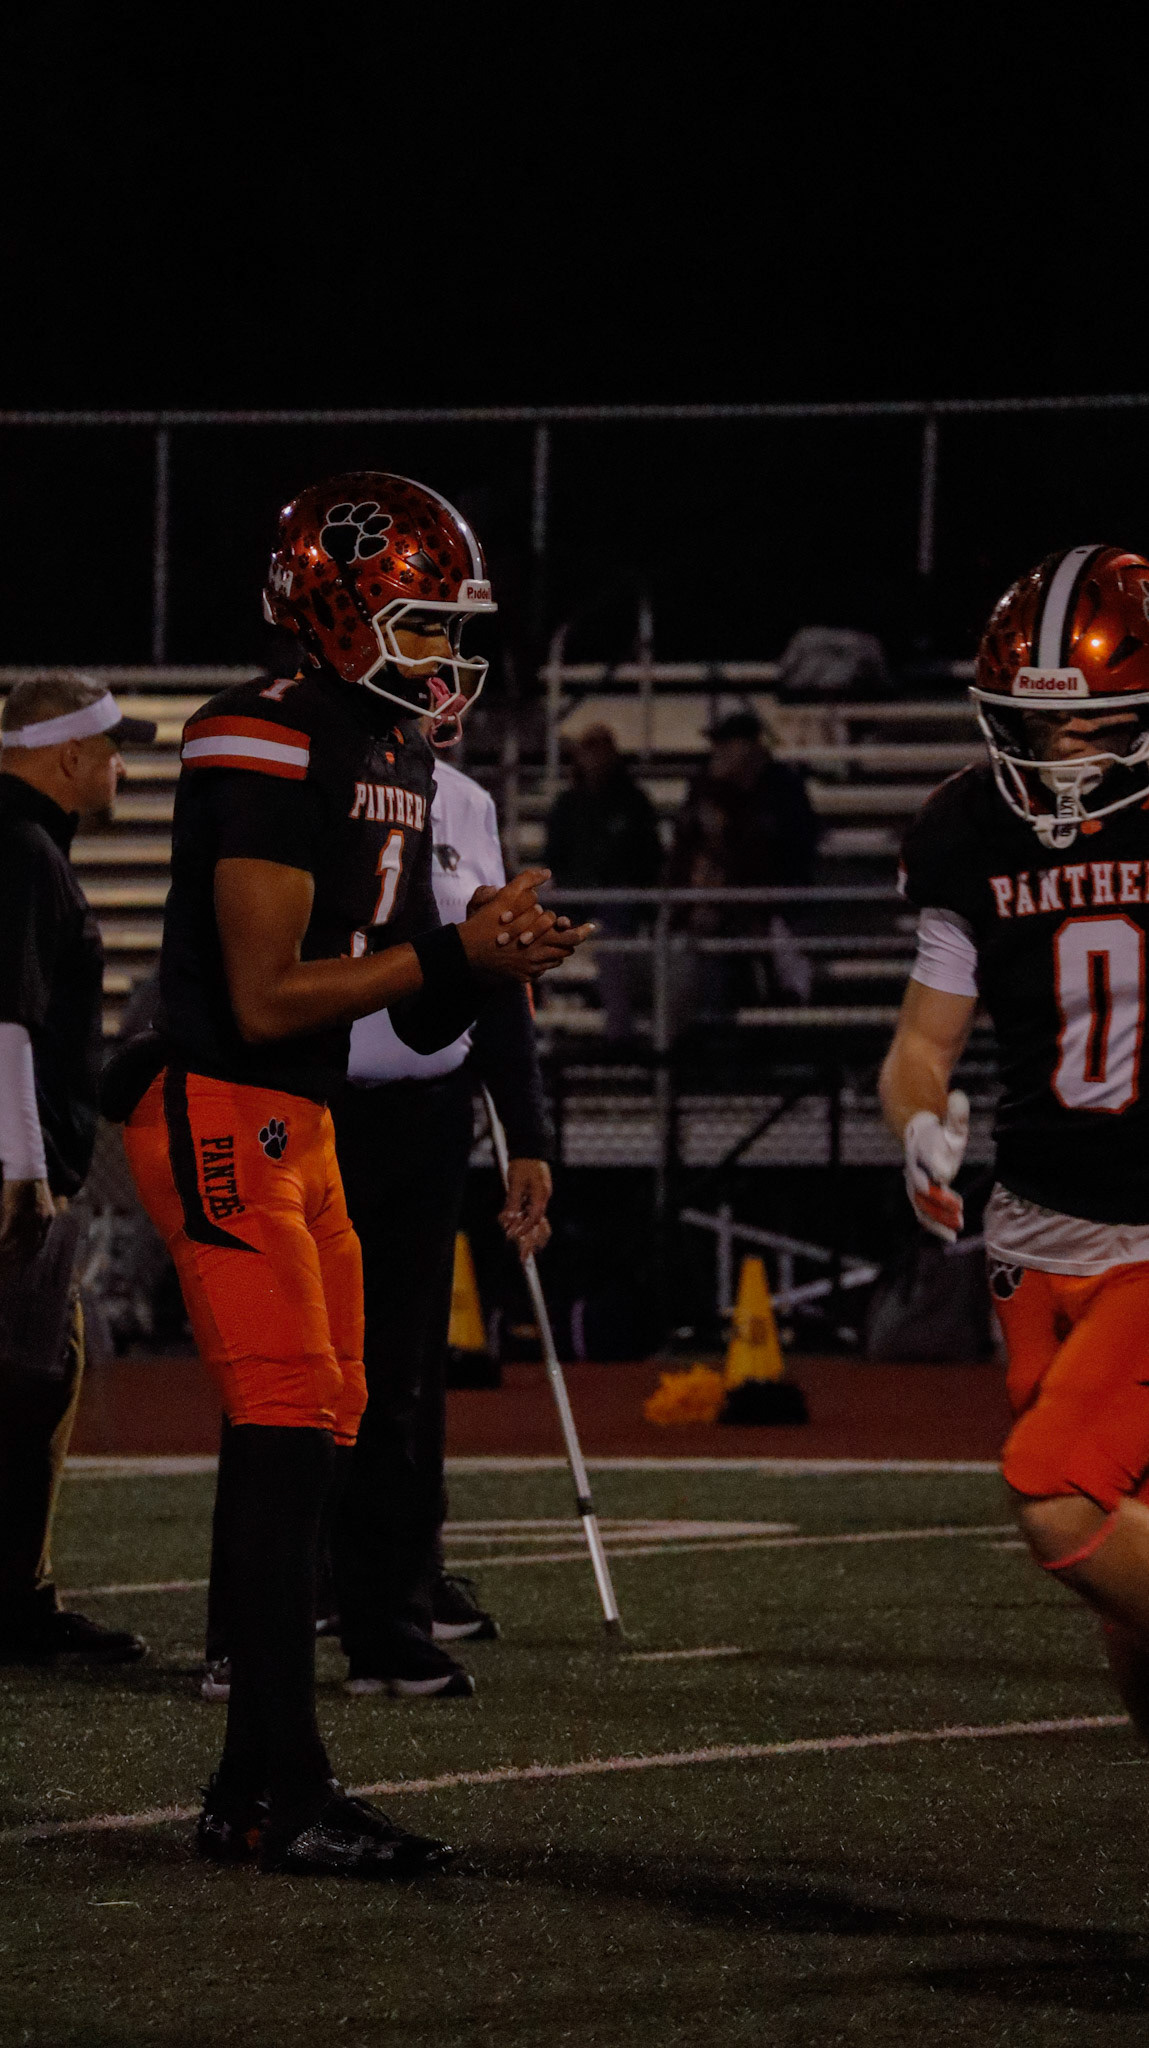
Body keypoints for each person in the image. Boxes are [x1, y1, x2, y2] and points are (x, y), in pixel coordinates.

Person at [111, 472, 591, 1880]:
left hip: (305, 1119)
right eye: (422, 624)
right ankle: (280, 1787)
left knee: (328, 1419)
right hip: (225, 1103)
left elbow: (410, 1015)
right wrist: (452, 952)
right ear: (336, 610)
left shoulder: (395, 753)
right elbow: (266, 996)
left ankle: (252, 1784)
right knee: (279, 1432)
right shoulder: (260, 732)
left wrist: (481, 964)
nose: (447, 655)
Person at [200, 757, 555, 1703]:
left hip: (423, 1112)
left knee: (398, 1373)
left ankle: (390, 1621)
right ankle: (250, 1631)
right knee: (279, 1370)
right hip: (301, 1097)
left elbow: (496, 975)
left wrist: (526, 1131)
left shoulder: (466, 799)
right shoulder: (302, 769)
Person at [880, 543, 1149, 1743]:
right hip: (1032, 1236)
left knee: (1056, 1495)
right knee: (1128, 1611)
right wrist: (917, 1124)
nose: (1059, 751)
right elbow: (921, 1043)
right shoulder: (966, 829)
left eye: (1091, 722)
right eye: (1038, 723)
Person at [0, 672, 155, 1667]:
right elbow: (8, 1020)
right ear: (66, 755)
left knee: (38, 1373)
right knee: (29, 1381)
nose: (121, 767)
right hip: (15, 1161)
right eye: (108, 749)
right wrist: (25, 1164)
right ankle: (15, 1604)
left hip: (23, 1145)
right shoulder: (24, 851)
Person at [666, 709, 818, 1017]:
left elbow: (788, 850)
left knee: (779, 947)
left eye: (726, 743)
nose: (718, 751)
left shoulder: (781, 786)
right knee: (700, 948)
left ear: (749, 745)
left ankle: (777, 1014)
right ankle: (708, 1026)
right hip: (718, 905)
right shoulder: (705, 785)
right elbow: (685, 847)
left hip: (773, 900)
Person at [544, 724, 662, 1038]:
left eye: (602, 749)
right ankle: (528, 1027)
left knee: (612, 936)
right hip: (574, 898)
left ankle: (619, 1033)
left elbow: (649, 860)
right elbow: (554, 860)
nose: (595, 758)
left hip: (620, 903)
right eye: (589, 750)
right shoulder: (567, 806)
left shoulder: (634, 803)